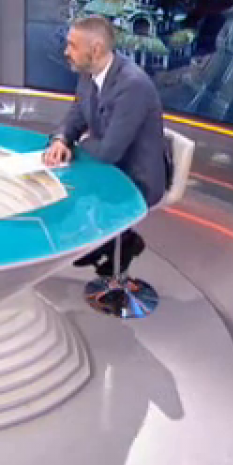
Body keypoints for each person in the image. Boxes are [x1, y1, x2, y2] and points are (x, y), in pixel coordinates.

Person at [43, 15, 172, 279]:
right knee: (59, 177)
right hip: (111, 166)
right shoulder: (88, 75)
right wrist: (61, 140)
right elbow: (76, 116)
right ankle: (102, 242)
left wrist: (78, 145)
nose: (66, 52)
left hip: (137, 177)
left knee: (73, 185)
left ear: (96, 49)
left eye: (72, 45)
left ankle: (122, 243)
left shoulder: (132, 86)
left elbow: (109, 152)